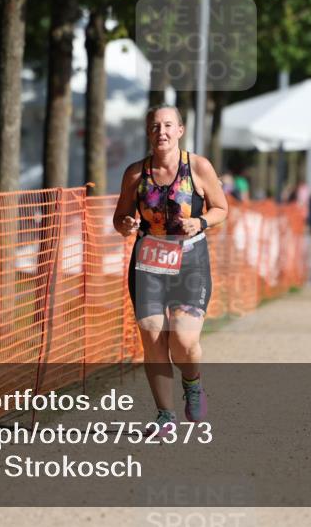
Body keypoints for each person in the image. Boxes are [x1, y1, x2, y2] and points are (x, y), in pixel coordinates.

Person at [113, 105, 228, 433]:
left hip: (190, 260)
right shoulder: (136, 174)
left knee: (183, 339)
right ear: (147, 132)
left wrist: (201, 221)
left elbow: (222, 208)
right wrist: (126, 223)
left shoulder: (199, 167)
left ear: (179, 130)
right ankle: (165, 415)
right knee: (152, 336)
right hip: (148, 259)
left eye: (167, 126)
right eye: (154, 126)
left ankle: (192, 383)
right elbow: (120, 219)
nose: (160, 132)